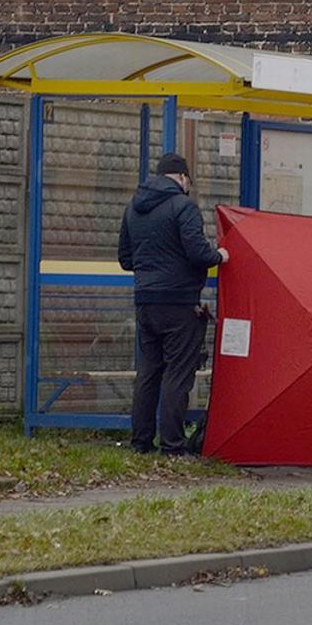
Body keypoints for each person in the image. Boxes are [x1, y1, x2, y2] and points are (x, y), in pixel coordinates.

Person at [117, 153, 228, 455]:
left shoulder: (133, 207)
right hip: (179, 303)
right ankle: (173, 446)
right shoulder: (183, 206)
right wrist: (220, 255)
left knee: (149, 372)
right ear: (181, 177)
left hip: (145, 302)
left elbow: (125, 259)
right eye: (187, 181)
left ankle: (140, 443)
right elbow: (197, 253)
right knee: (178, 374)